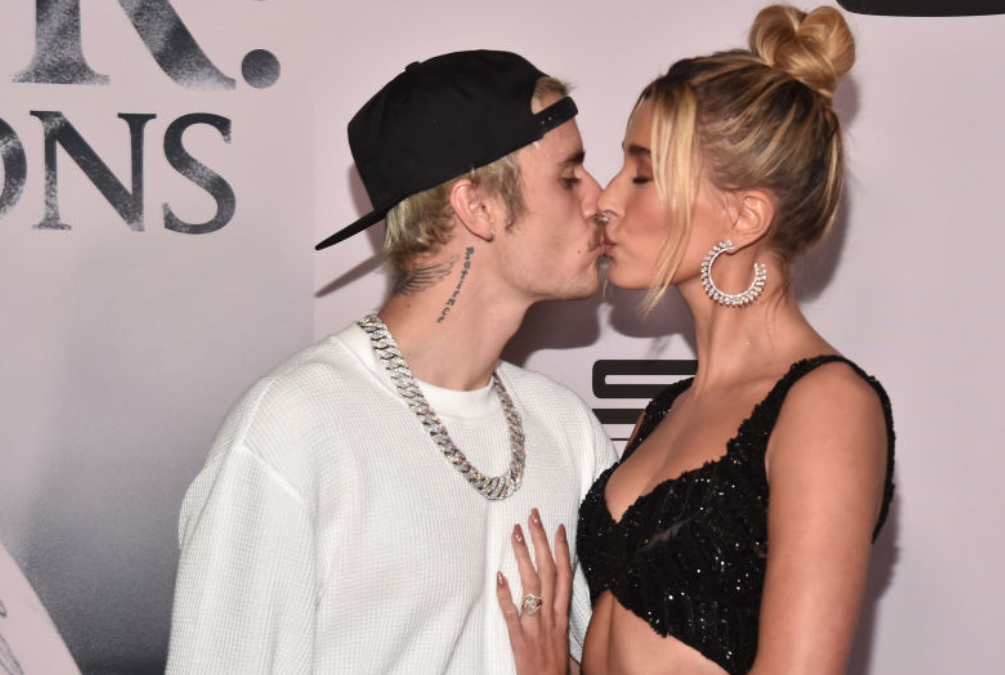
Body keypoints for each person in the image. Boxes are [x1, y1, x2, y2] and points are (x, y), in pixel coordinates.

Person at [166, 50, 617, 674]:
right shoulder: (295, 428)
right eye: (569, 177)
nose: (600, 199)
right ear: (478, 207)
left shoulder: (566, 430)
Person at [500, 5, 895, 675]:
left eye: (642, 175)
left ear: (745, 217)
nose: (606, 201)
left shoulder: (827, 405)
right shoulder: (666, 410)